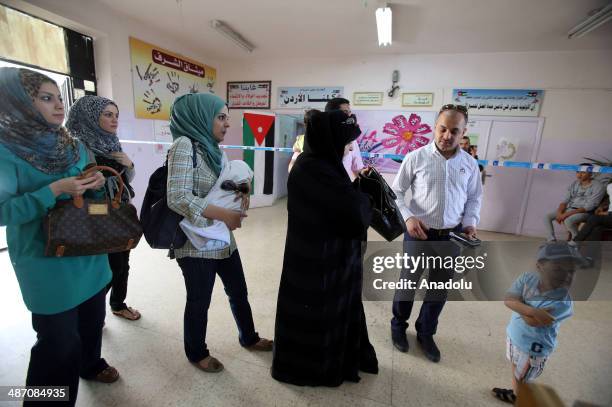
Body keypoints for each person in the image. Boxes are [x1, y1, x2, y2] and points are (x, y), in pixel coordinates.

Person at [0, 67, 119, 407]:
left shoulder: (75, 146)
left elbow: (93, 196)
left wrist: (97, 185)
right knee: (58, 345)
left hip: (89, 255)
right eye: (45, 98)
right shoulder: (5, 153)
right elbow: (2, 211)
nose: (57, 106)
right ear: (18, 103)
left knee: (92, 324)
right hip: (47, 266)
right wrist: (52, 190)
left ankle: (91, 364)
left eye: (59, 98)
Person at [166, 93, 272, 373]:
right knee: (199, 300)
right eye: (221, 117)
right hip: (196, 242)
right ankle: (196, 353)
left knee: (238, 291)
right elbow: (176, 197)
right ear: (200, 116)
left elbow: (222, 184)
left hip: (223, 238)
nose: (227, 123)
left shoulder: (213, 149)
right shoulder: (183, 145)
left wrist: (241, 189)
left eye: (227, 117)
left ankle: (249, 337)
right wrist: (224, 214)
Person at [271, 110, 378, 386]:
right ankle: (314, 369)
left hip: (325, 259)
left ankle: (334, 359)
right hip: (315, 263)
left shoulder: (323, 165)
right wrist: (365, 199)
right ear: (330, 140)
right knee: (314, 318)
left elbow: (340, 205)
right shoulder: (313, 169)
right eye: (344, 142)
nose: (346, 148)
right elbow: (352, 214)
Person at [390, 104, 483, 362]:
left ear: (463, 133)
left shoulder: (469, 164)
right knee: (408, 283)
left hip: (451, 237)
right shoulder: (416, 157)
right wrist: (408, 217)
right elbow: (395, 193)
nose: (447, 136)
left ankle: (426, 333)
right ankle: (398, 327)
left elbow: (474, 198)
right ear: (435, 127)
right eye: (443, 129)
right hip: (418, 233)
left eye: (455, 131)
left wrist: (470, 223)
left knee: (438, 289)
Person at [66, 95, 141, 321]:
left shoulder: (111, 142)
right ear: (90, 117)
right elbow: (81, 189)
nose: (114, 120)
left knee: (122, 262)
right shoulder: (77, 147)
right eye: (107, 115)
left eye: (116, 115)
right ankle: (91, 314)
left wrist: (130, 164)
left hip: (117, 209)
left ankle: (117, 304)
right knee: (107, 268)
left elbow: (125, 180)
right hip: (96, 212)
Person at [492, 242, 580, 404]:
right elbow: (508, 300)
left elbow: (531, 321)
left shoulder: (563, 302)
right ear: (540, 265)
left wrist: (520, 302)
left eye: (571, 270)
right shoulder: (527, 278)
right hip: (515, 336)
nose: (567, 275)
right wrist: (533, 310)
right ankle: (516, 393)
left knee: (523, 380)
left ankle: (520, 398)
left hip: (533, 350)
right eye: (559, 268)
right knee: (514, 366)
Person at [543, 168, 605, 241]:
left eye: (583, 172)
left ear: (591, 174)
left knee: (568, 220)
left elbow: (589, 207)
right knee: (547, 217)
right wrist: (560, 213)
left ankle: (576, 240)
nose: (579, 174)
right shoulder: (575, 183)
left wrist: (565, 215)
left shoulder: (598, 186)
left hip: (585, 212)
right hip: (570, 208)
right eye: (578, 172)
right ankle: (551, 239)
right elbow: (565, 201)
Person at [325, 97, 365, 181]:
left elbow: (357, 169)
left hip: (342, 189)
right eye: (345, 112)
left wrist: (369, 178)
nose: (349, 116)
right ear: (332, 115)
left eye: (349, 112)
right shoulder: (316, 137)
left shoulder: (352, 139)